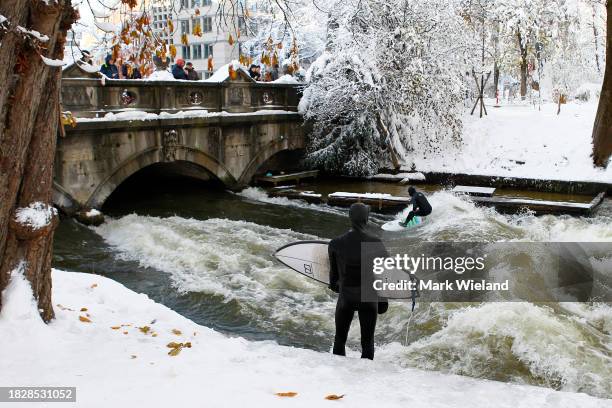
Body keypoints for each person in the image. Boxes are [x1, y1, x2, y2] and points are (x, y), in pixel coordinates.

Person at [328, 203, 388, 360]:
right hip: (369, 298)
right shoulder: (376, 244)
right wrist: (382, 301)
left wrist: (341, 286)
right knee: (367, 342)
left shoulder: (335, 243)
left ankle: (339, 375)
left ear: (349, 217)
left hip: (346, 297)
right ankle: (365, 381)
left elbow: (333, 282)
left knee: (339, 340)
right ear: (367, 219)